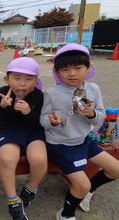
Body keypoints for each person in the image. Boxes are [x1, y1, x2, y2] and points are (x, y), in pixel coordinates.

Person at [40, 43, 119, 220]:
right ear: (58, 72)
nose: (72, 73)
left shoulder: (93, 89)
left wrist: (91, 114)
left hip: (84, 141)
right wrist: (51, 121)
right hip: (61, 145)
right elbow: (43, 119)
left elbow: (100, 118)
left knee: (116, 170)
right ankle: (66, 214)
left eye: (78, 68)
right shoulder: (52, 92)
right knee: (80, 185)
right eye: (65, 69)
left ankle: (88, 192)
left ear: (88, 67)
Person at [0, 57, 47, 220]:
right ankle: (13, 201)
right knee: (7, 159)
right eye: (16, 78)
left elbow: (38, 123)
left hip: (32, 132)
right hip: (9, 131)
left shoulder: (38, 96)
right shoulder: (1, 92)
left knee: (39, 159)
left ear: (36, 81)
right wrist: (2, 106)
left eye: (28, 79)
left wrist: (28, 112)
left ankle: (30, 190)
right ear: (7, 79)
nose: (22, 84)